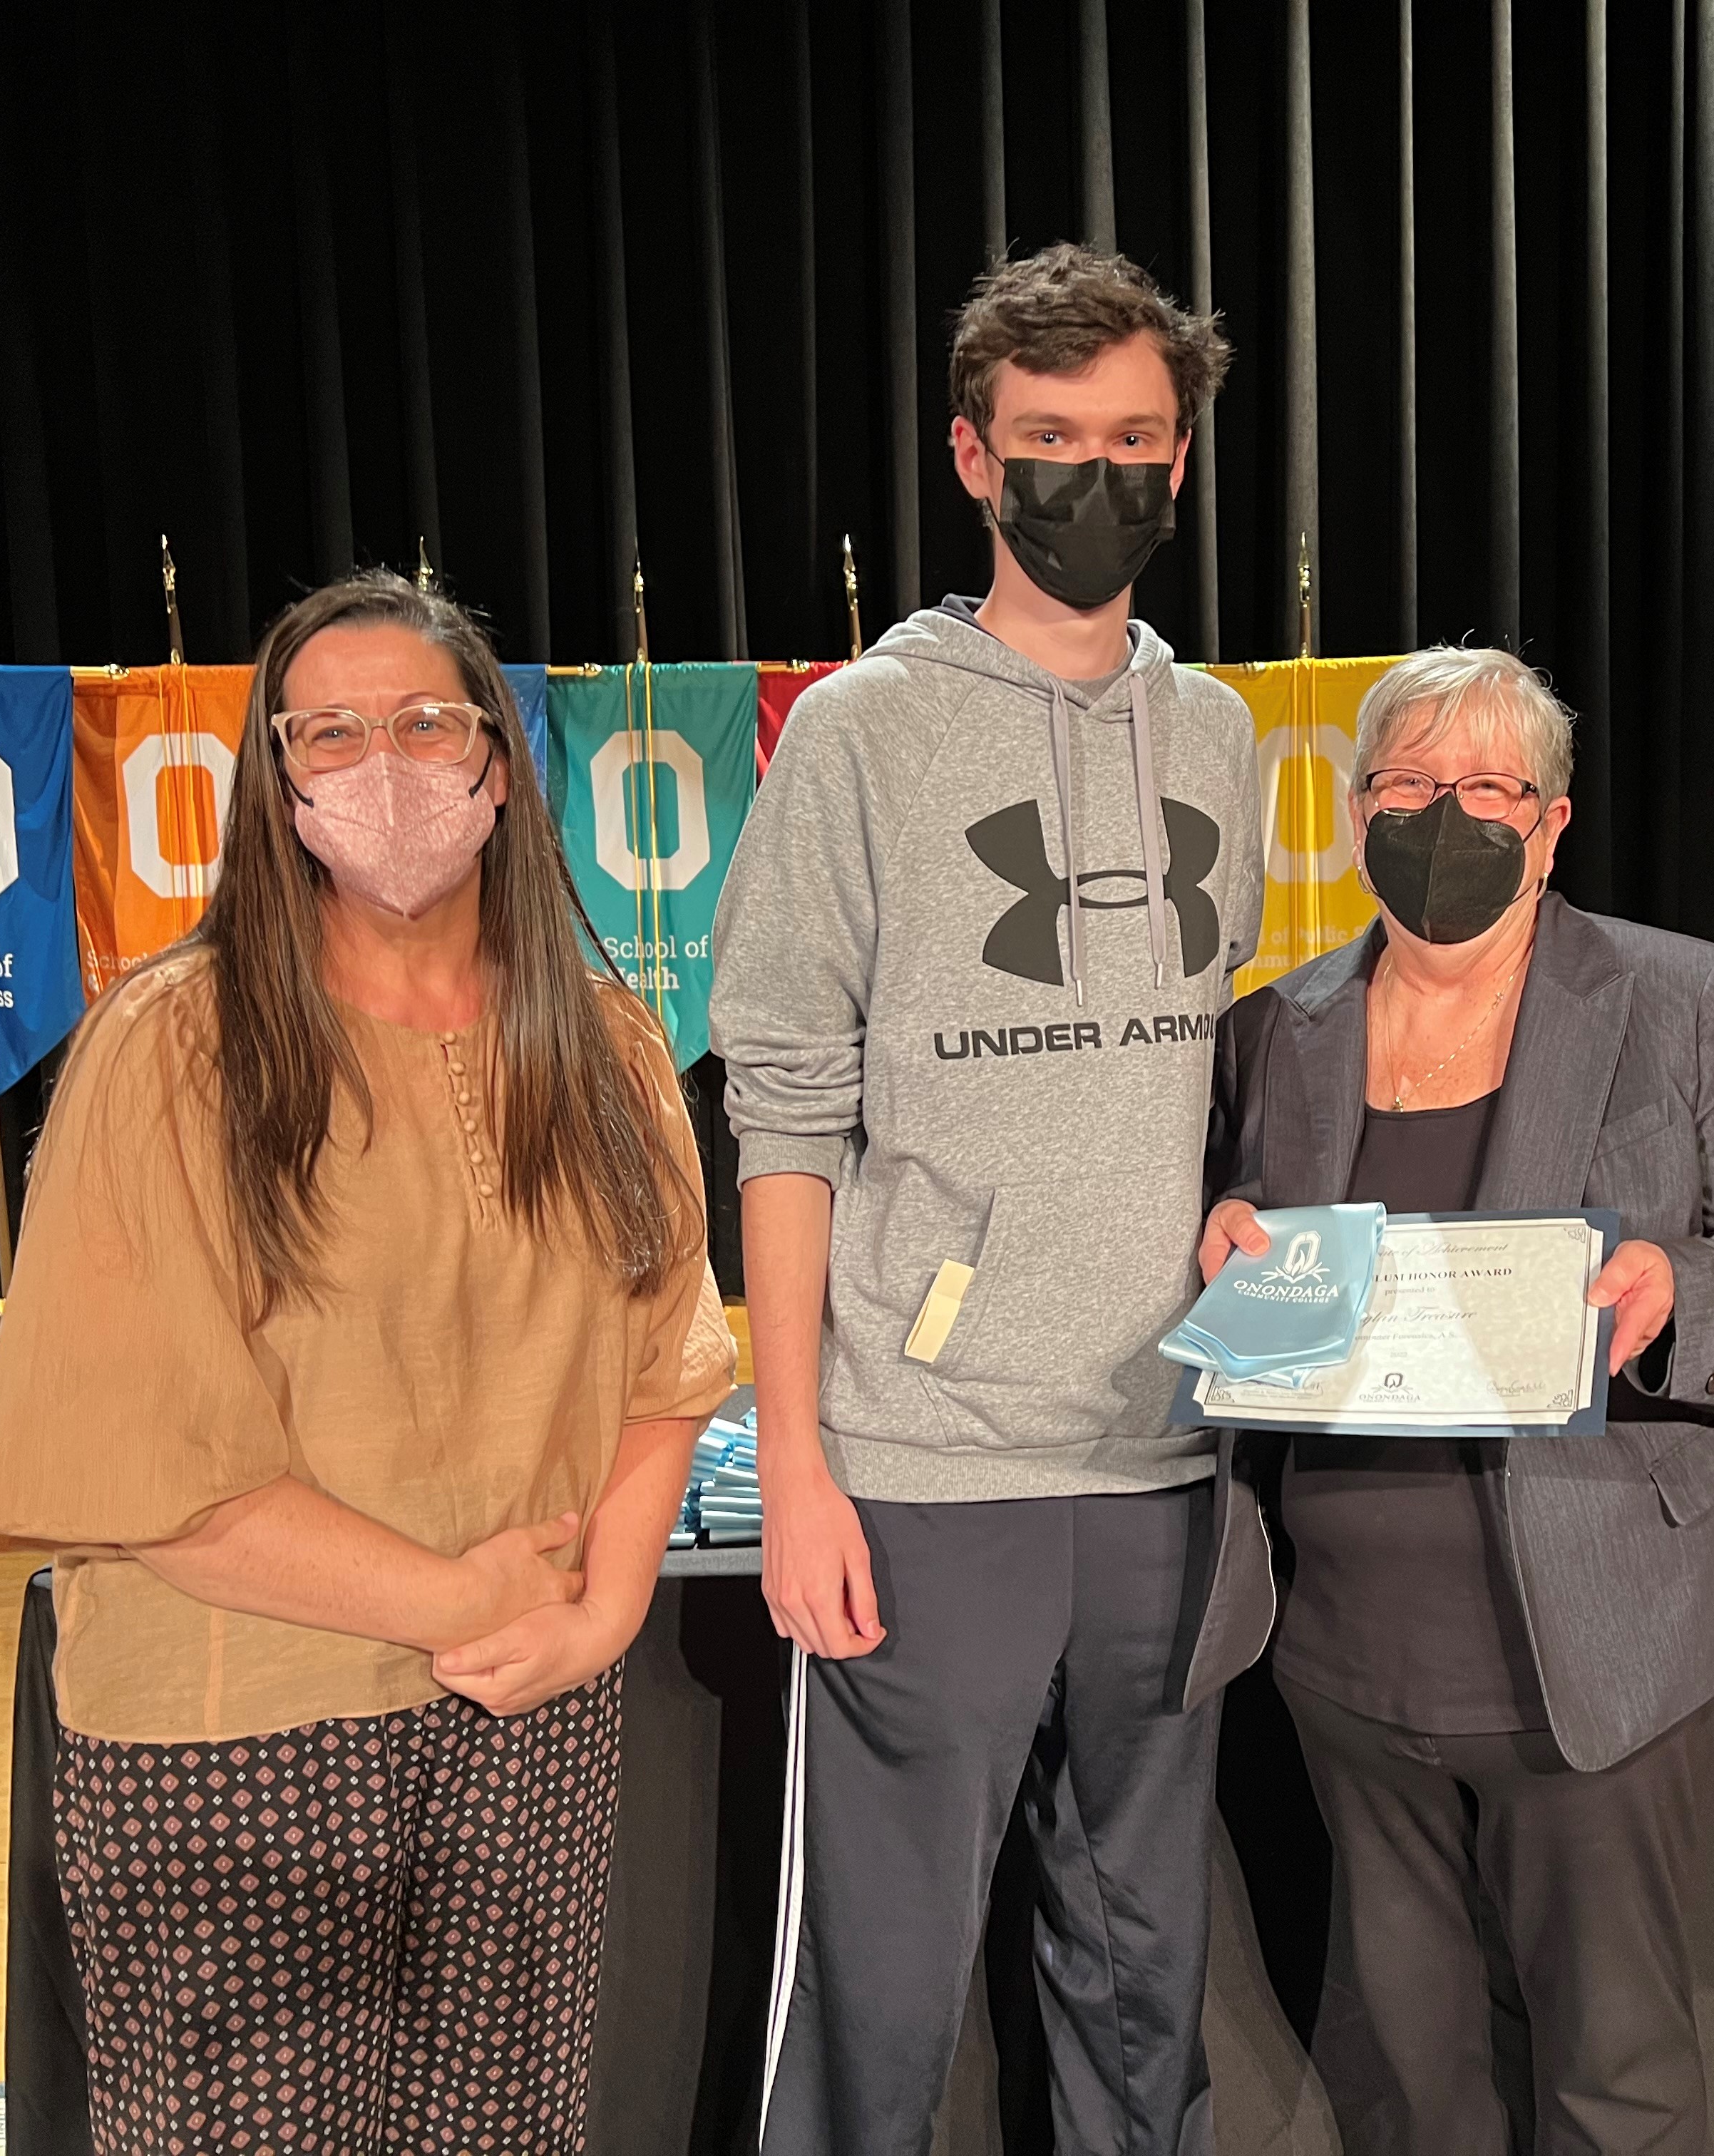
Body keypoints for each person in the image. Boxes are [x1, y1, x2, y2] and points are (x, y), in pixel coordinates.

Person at [0, 570, 736, 2156]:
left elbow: (669, 1367)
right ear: (281, 786)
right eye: (335, 733)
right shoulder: (176, 1044)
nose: (389, 766)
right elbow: (134, 1457)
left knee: (504, 2131)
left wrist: (603, 1617)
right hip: (238, 1727)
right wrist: (452, 1600)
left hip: (526, 1708)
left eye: (430, 723)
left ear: (500, 766)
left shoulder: (608, 1042)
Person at [711, 242, 1268, 2156]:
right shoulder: (863, 732)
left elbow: (1188, 1065)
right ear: (971, 457)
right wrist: (796, 1464)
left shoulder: (1218, 735)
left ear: (1182, 462)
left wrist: (1218, 1217)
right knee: (878, 1993)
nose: (1093, 478)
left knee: (1141, 1977)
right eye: (1050, 440)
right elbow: (782, 1107)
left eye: (1133, 439)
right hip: (927, 1469)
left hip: (1163, 1465)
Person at [1197, 645, 1714, 2156]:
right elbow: (1244, 1273)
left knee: (1615, 2080)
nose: (1448, 815)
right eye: (1412, 785)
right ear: (1357, 804)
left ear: (1553, 822)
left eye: (1489, 788)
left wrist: (1676, 1298)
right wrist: (1225, 1247)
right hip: (1344, 1656)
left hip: (1598, 1653)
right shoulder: (1277, 1029)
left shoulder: (1684, 999)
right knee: (1411, 2081)